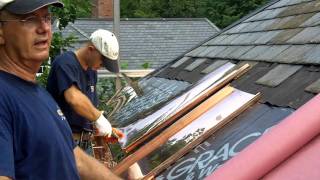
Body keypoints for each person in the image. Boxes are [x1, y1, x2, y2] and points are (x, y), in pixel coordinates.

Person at [0, 0, 121, 179]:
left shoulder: (40, 95)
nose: (44, 28)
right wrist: (98, 118)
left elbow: (74, 157)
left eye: (47, 18)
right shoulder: (3, 96)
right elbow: (73, 97)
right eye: (29, 19)